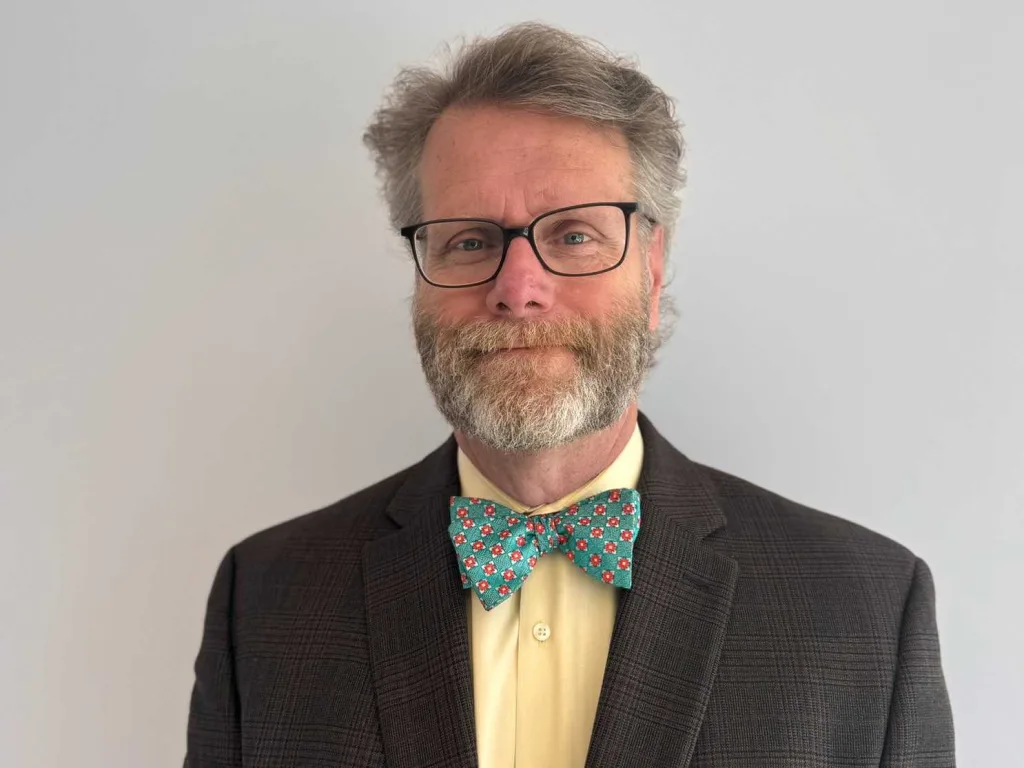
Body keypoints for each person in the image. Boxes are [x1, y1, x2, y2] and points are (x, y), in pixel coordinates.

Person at [184, 22, 955, 768]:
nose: (518, 289)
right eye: (470, 240)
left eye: (575, 235)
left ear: (653, 268)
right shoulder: (265, 602)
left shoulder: (865, 612)